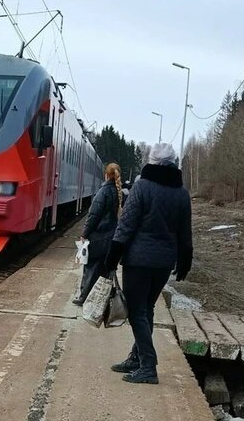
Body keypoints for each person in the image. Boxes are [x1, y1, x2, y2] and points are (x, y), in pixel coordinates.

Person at [104, 143, 192, 384]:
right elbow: (185, 234)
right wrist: (185, 261)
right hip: (164, 263)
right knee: (147, 309)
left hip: (139, 261)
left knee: (137, 312)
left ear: (152, 161)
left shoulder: (142, 187)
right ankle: (137, 358)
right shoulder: (182, 194)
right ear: (173, 162)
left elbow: (126, 226)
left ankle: (148, 366)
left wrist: (111, 258)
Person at [73, 163, 123, 306]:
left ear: (106, 175)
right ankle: (99, 299)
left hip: (99, 236)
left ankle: (84, 297)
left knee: (91, 267)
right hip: (112, 237)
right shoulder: (118, 192)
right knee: (104, 269)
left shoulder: (104, 192)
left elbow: (94, 215)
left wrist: (84, 233)